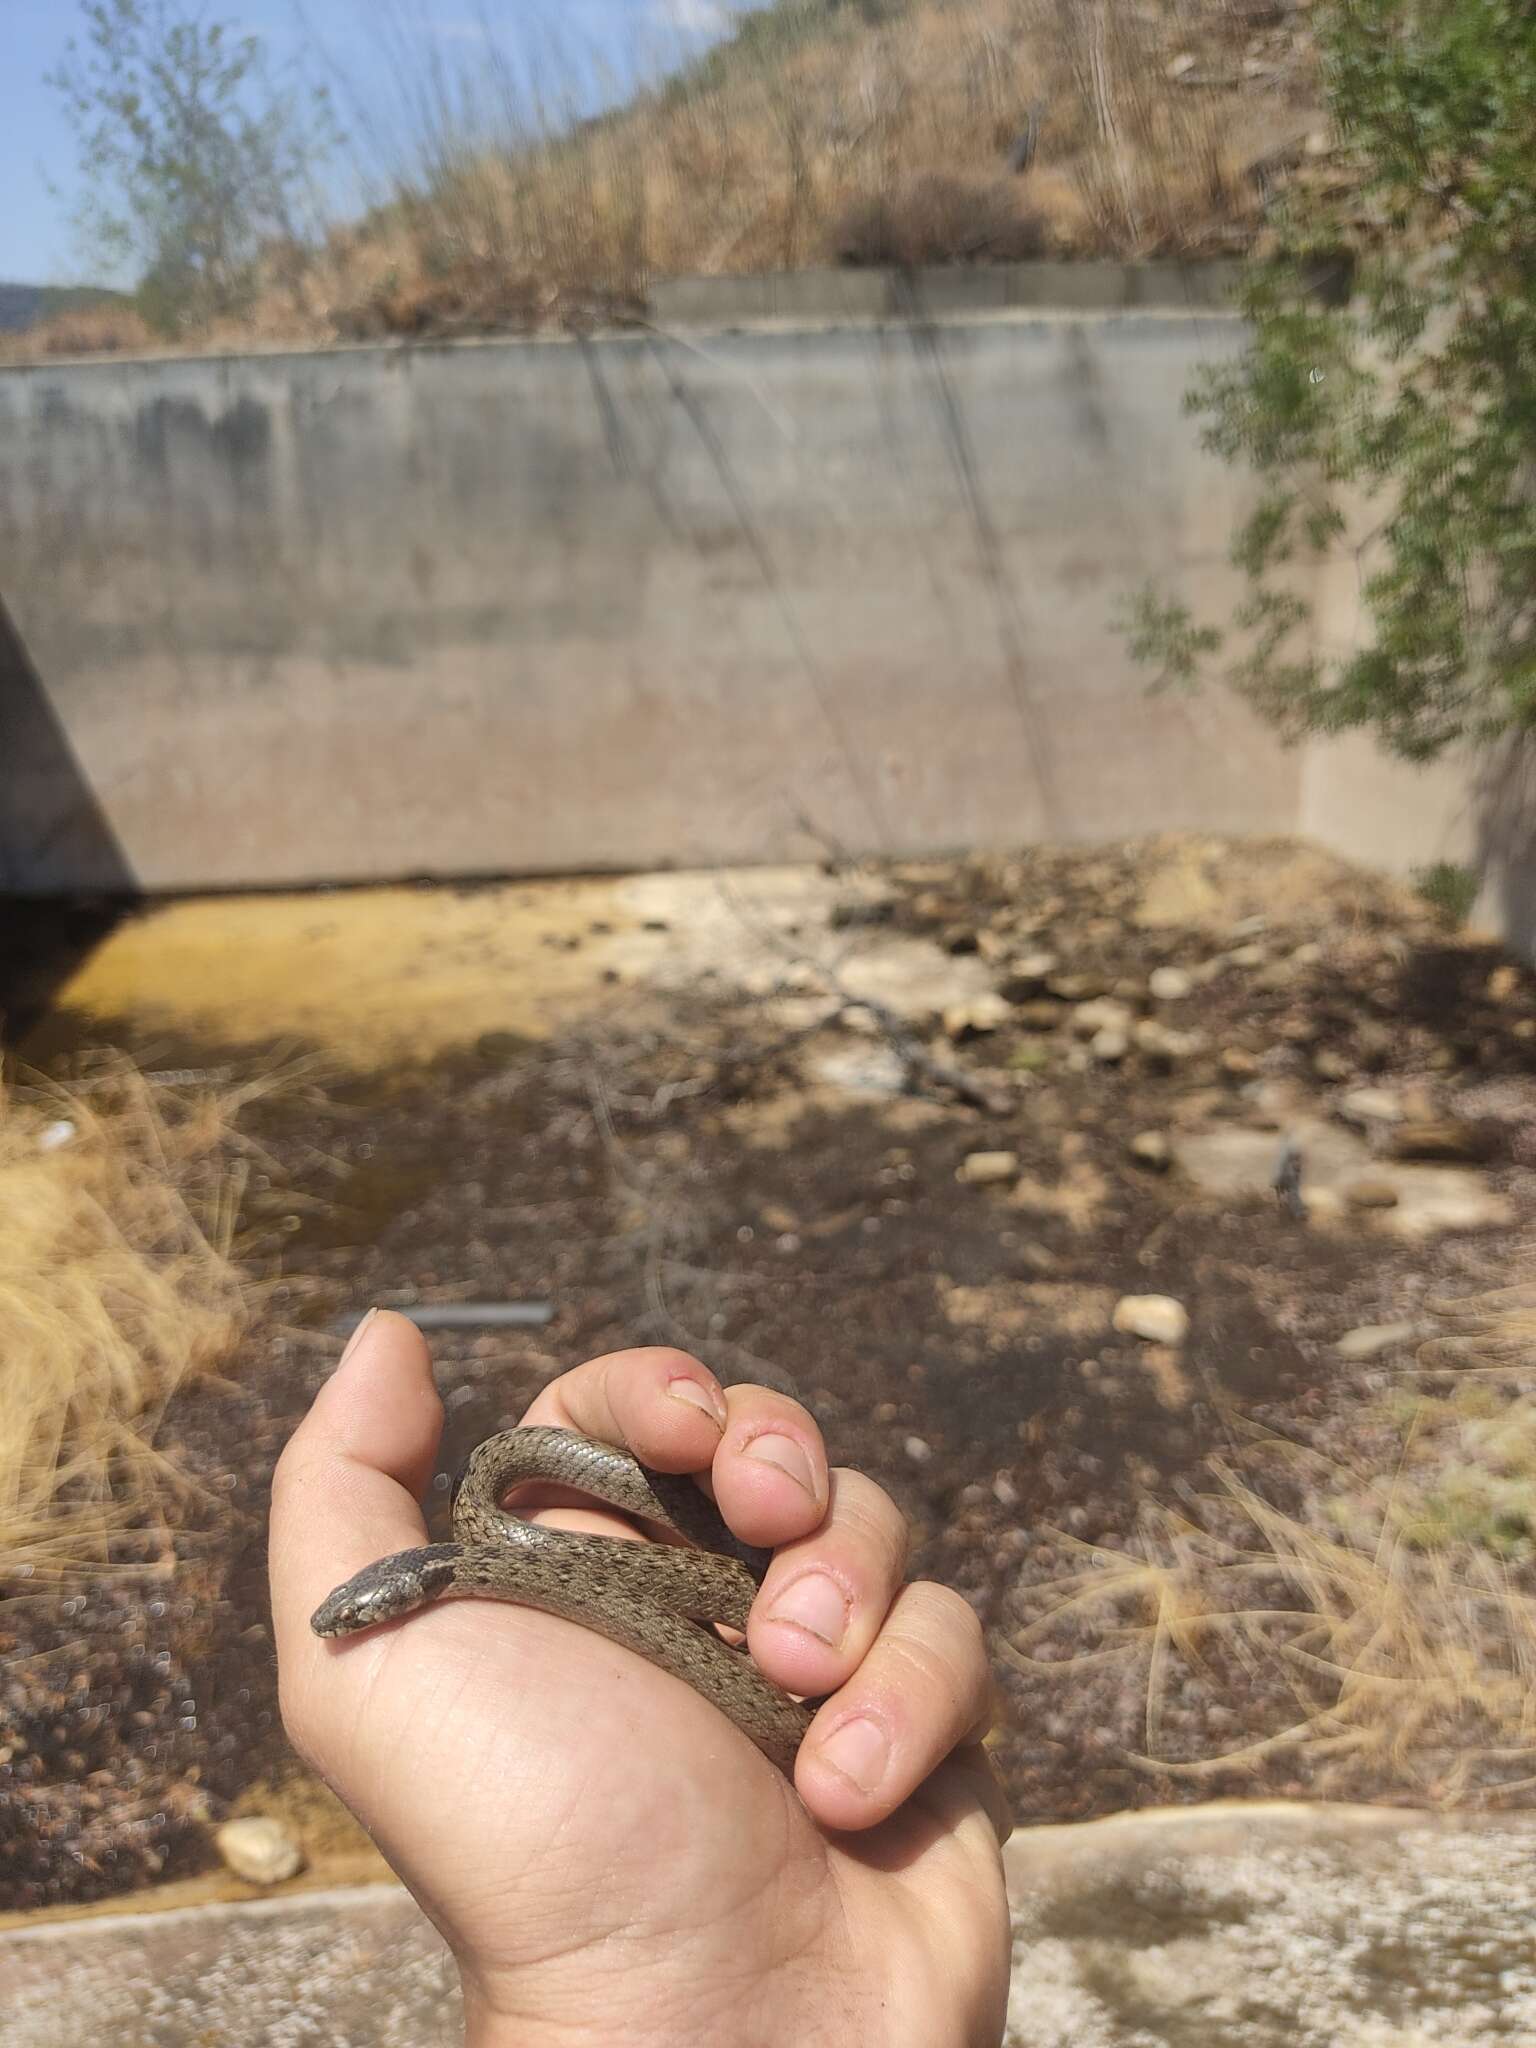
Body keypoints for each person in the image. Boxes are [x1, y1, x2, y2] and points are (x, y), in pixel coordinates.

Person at [270, 1311, 1013, 2047]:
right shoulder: (489, 1565)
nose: (344, 1630)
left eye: (353, 1618)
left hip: (833, 1789)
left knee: (798, 1598)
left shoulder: (493, 1527)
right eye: (352, 1619)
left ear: (407, 1590)